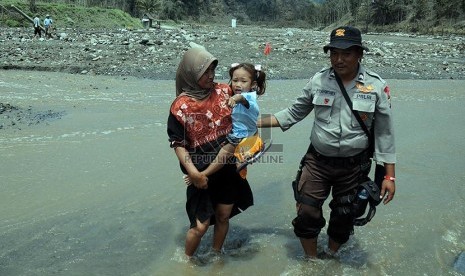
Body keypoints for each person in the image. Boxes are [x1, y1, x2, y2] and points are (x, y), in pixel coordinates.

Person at [258, 26, 396, 258]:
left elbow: (385, 134)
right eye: (334, 53)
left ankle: (331, 257)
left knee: (345, 215)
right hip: (318, 163)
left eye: (346, 54)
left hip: (354, 166)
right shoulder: (318, 81)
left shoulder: (376, 87)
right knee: (306, 213)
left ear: (359, 54)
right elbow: (292, 114)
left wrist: (389, 176)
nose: (339, 59)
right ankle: (312, 262)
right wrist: (253, 122)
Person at [167, 47, 254, 258]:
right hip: (199, 173)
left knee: (223, 216)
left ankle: (216, 255)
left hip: (227, 168)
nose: (211, 76)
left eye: (212, 70)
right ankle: (187, 264)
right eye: (205, 72)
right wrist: (194, 173)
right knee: (200, 225)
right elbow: (178, 144)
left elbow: (250, 98)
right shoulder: (180, 106)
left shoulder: (225, 91)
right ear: (190, 74)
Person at [184, 62, 267, 182]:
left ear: (253, 84)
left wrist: (234, 98)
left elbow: (242, 99)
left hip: (239, 137)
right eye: (235, 80)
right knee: (236, 159)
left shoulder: (248, 97)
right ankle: (244, 159)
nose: (238, 84)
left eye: (243, 81)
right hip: (248, 134)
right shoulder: (236, 93)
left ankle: (203, 174)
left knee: (222, 155)